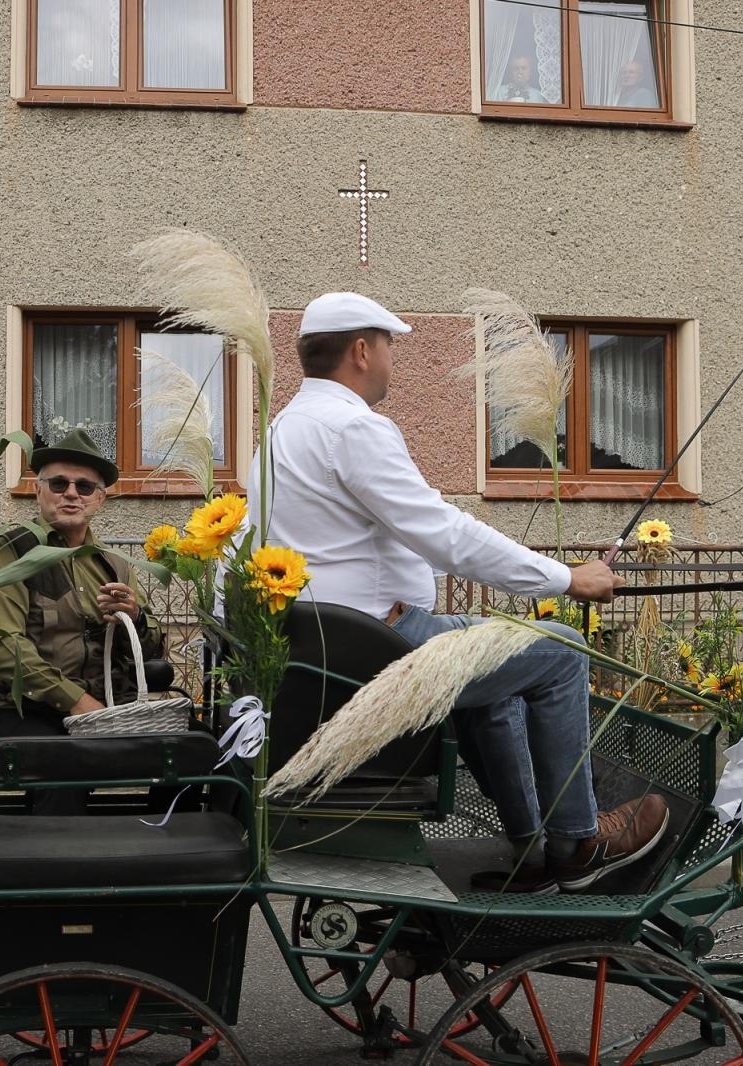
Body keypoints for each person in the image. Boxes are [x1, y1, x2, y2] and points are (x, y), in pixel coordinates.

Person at [247, 292, 668, 893]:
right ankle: (578, 843)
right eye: (390, 346)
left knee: (495, 675)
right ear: (362, 351)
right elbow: (443, 533)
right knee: (564, 650)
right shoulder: (353, 429)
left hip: (336, 649)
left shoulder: (282, 431)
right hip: (383, 647)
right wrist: (566, 579)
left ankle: (531, 849)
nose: (394, 361)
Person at [0, 428, 165, 815]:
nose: (71, 493)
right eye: (58, 483)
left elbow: (153, 646)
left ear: (100, 498)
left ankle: (162, 857)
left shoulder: (115, 564)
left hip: (105, 712)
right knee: (65, 764)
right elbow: (0, 647)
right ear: (38, 490)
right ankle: (59, 870)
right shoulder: (10, 552)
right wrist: (77, 702)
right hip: (21, 713)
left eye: (85, 486)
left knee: (194, 751)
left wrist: (135, 618)